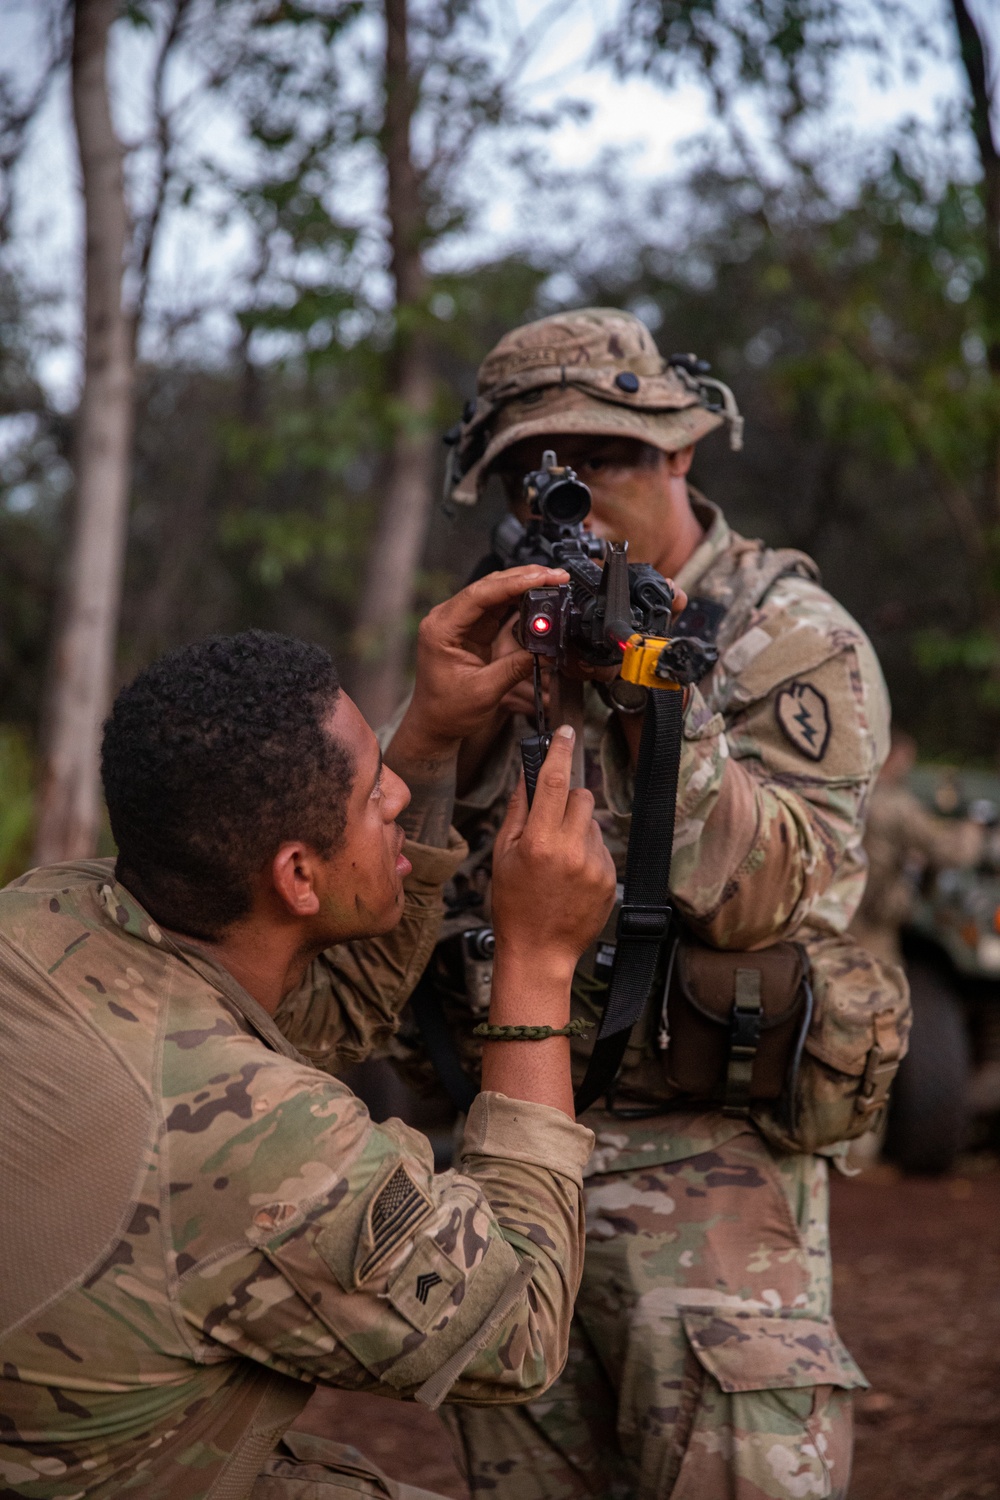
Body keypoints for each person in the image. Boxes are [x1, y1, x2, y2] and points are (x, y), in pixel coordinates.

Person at [387, 308, 910, 1499]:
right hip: (517, 1150)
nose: (564, 487)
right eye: (529, 469)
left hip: (707, 1164)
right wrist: (431, 738)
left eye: (605, 454)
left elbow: (774, 891)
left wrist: (653, 697)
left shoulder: (789, 636)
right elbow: (386, 887)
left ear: (679, 451)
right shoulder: (501, 623)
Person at [0, 566, 617, 1500]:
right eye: (379, 792)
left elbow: (326, 1011)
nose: (399, 798)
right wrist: (535, 962)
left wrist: (433, 738)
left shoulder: (55, 912)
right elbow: (520, 1330)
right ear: (295, 874)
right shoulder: (256, 1138)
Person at [849, 729, 986, 968]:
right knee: (879, 994)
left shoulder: (851, 795)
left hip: (842, 913)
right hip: (872, 926)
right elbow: (953, 852)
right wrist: (973, 827)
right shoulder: (896, 805)